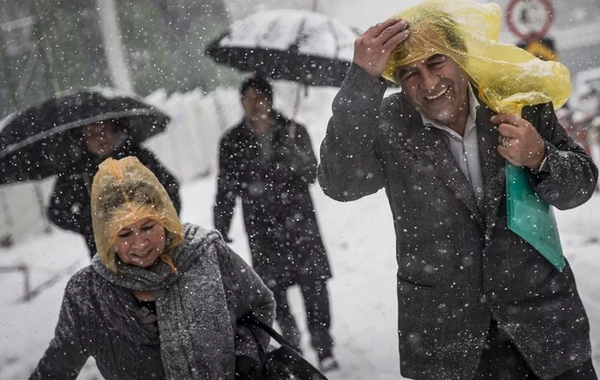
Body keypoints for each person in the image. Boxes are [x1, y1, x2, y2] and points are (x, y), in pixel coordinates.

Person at [318, 1, 599, 379]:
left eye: (436, 63)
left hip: (545, 331)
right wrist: (361, 79)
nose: (430, 83)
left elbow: (580, 186)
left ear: (460, 57)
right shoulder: (386, 123)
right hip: (445, 344)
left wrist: (540, 157)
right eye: (410, 73)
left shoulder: (516, 102)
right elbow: (340, 183)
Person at [31, 156, 275, 380]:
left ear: (165, 218)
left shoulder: (206, 254)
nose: (140, 243)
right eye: (124, 233)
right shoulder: (88, 294)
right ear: (107, 236)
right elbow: (56, 368)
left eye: (148, 227)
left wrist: (246, 358)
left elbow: (259, 305)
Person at [213, 76, 338, 371]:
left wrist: (295, 157)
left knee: (314, 287)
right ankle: (292, 347)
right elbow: (226, 188)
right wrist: (221, 227)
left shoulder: (295, 132)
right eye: (247, 98)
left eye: (259, 97)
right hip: (262, 227)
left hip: (300, 224)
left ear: (270, 100)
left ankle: (324, 348)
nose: (254, 104)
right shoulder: (231, 142)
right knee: (272, 293)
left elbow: (311, 175)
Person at [47, 119, 181, 257]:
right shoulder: (76, 172)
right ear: (82, 137)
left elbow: (170, 187)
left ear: (114, 129)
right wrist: (92, 225)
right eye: (92, 133)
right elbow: (57, 212)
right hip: (108, 255)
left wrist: (163, 223)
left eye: (105, 129)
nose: (101, 137)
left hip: (154, 245)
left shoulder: (137, 156)